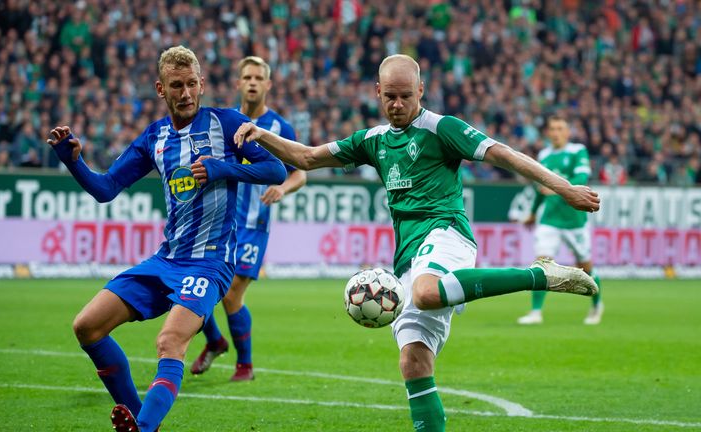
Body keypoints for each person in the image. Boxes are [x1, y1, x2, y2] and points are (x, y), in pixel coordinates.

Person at [233, 54, 600, 432]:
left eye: (405, 96)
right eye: (389, 96)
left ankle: (538, 275)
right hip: (407, 256)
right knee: (413, 361)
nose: (397, 104)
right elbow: (307, 158)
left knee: (426, 293)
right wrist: (263, 135)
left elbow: (505, 155)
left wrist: (564, 188)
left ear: (421, 90)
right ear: (377, 92)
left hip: (447, 232)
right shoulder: (372, 141)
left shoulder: (442, 128)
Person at [46, 46, 286, 432]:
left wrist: (222, 168)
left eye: (192, 84)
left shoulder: (227, 123)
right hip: (166, 259)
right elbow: (106, 189)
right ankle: (143, 421)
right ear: (161, 89)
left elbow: (275, 170)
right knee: (86, 326)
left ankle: (142, 428)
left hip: (211, 262)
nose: (186, 93)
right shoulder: (154, 137)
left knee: (169, 342)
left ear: (202, 84)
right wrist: (73, 162)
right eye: (177, 86)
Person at [190, 56, 307, 381]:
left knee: (230, 295)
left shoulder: (280, 128)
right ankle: (215, 340)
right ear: (238, 83)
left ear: (268, 85)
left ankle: (245, 365)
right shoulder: (224, 122)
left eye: (258, 78)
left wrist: (283, 188)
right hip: (218, 221)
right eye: (247, 77)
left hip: (254, 225)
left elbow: (299, 173)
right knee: (193, 286)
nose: (253, 82)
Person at [517, 115, 603, 325]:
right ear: (548, 133)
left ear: (567, 132)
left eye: (560, 128)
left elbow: (581, 179)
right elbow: (540, 189)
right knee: (542, 264)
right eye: (553, 129)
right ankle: (536, 312)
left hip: (575, 220)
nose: (556, 133)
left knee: (585, 267)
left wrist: (556, 189)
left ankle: (596, 305)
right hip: (549, 220)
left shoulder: (577, 151)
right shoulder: (544, 155)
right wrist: (533, 213)